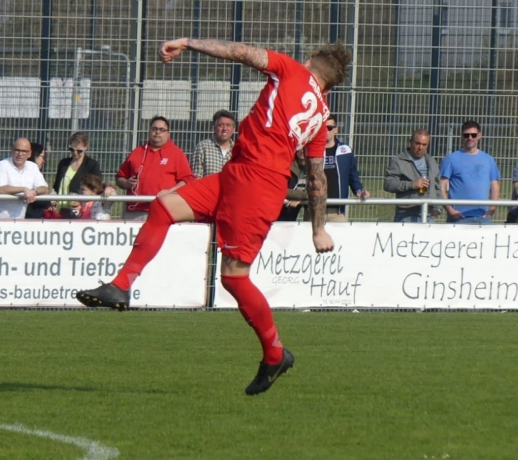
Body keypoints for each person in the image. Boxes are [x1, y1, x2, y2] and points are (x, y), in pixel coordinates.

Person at [76, 37, 351, 397]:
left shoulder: (291, 69)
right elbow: (317, 176)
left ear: (315, 60)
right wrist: (319, 229)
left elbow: (240, 52)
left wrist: (187, 43)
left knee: (234, 279)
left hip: (256, 185)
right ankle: (121, 286)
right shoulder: (320, 117)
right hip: (238, 175)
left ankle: (275, 354)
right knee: (165, 206)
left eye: (309, 54)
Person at [115, 116, 194, 221]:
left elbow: (187, 180)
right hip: (136, 212)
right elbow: (120, 177)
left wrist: (170, 191)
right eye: (154, 129)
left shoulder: (176, 154)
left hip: (165, 210)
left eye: (162, 130)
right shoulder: (137, 152)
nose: (157, 132)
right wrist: (126, 183)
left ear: (168, 133)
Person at [439, 120, 500, 224]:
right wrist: (450, 210)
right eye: (466, 135)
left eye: (473, 135)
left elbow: (495, 186)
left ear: (479, 135)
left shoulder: (489, 160)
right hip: (459, 218)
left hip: (483, 217)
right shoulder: (451, 159)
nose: (470, 138)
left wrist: (492, 208)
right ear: (461, 136)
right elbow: (441, 186)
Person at [383, 129, 443, 223]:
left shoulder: (431, 161)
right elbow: (388, 184)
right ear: (410, 142)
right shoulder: (398, 161)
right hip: (406, 215)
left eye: (424, 145)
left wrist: (438, 207)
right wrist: (412, 184)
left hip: (429, 215)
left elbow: (437, 187)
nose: (420, 147)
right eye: (417, 143)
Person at [0, 137, 49, 219]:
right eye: (17, 150)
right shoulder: (2, 165)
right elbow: (1, 189)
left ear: (29, 154)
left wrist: (33, 192)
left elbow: (44, 188)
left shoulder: (32, 167)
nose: (20, 154)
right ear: (12, 151)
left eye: (24, 151)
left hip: (19, 220)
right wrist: (24, 190)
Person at [322, 116, 369, 222]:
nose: (326, 131)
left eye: (329, 127)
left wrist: (359, 191)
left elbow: (353, 176)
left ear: (336, 130)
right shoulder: (312, 150)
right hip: (315, 210)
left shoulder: (346, 151)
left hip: (337, 212)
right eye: (322, 128)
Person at [53, 131, 103, 217]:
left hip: (80, 211)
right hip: (60, 210)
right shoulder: (63, 163)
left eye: (79, 151)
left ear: (86, 148)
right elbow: (57, 185)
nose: (75, 153)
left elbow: (97, 188)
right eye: (72, 149)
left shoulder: (92, 165)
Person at [191, 110, 236, 178]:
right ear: (214, 128)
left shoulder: (238, 150)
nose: (224, 128)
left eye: (228, 125)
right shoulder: (202, 147)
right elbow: (196, 177)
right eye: (220, 125)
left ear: (233, 129)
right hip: (207, 188)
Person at [25, 142, 57, 219]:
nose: (44, 161)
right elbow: (34, 197)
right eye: (43, 157)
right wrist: (49, 201)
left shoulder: (35, 172)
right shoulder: (28, 172)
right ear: (35, 156)